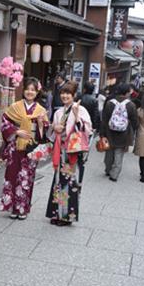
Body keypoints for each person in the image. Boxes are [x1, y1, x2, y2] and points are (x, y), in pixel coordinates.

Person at [0, 77, 49, 220]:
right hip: (15, 147)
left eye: (33, 90)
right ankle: (12, 208)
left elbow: (44, 133)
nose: (29, 92)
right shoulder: (15, 107)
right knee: (12, 175)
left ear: (37, 92)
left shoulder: (41, 110)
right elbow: (4, 123)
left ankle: (22, 208)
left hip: (31, 148)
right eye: (27, 89)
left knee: (26, 178)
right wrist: (16, 131)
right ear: (23, 90)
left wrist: (40, 124)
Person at [46, 81, 92, 226]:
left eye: (68, 93)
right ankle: (57, 213)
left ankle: (66, 216)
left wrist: (77, 116)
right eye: (63, 93)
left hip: (73, 153)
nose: (65, 96)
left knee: (71, 183)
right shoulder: (59, 111)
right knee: (59, 182)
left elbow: (87, 131)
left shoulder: (80, 109)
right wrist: (54, 127)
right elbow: (52, 133)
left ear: (74, 95)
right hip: (61, 151)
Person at [100, 83, 138, 182]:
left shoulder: (109, 103)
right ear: (126, 93)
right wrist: (134, 131)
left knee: (109, 152)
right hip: (123, 133)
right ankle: (114, 175)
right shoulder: (131, 105)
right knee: (119, 154)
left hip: (109, 132)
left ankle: (108, 169)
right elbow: (134, 121)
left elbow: (104, 120)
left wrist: (102, 133)